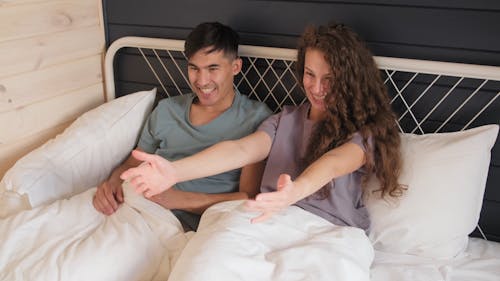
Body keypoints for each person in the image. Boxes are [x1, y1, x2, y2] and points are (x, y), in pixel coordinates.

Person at [121, 23, 405, 280]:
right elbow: (241, 149)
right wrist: (174, 171)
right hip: (260, 220)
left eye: (329, 78)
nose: (317, 88)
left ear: (349, 78)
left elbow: (333, 163)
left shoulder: (366, 131)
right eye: (309, 74)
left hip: (329, 232)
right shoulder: (284, 120)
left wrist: (293, 192)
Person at [93, 21, 271, 231]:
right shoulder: (167, 110)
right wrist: (112, 182)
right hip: (136, 207)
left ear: (235, 67)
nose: (202, 80)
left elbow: (248, 197)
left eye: (213, 68)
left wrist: (178, 200)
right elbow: (131, 164)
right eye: (194, 68)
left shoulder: (255, 119)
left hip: (192, 224)